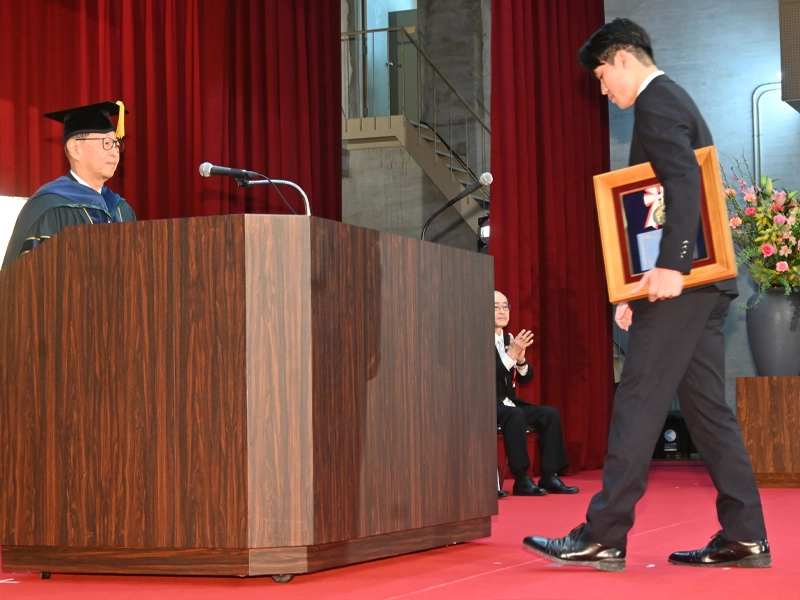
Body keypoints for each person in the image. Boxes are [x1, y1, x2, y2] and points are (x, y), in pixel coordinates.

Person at [522, 19, 769, 572]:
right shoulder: (671, 100)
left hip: (684, 283)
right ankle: (746, 536)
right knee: (708, 413)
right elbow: (650, 209)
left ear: (622, 58)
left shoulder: (657, 102)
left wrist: (673, 266)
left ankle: (603, 535)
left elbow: (683, 183)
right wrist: (635, 289)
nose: (601, 89)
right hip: (701, 286)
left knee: (636, 401)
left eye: (601, 76)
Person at [2, 101, 136, 268]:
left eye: (116, 144)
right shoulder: (49, 207)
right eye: (107, 143)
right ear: (75, 149)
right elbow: (28, 276)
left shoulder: (122, 211)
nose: (115, 152)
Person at [494, 290, 579, 497]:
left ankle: (549, 475)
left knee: (549, 414)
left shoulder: (509, 338)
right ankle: (522, 478)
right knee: (516, 414)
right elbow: (486, 375)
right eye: (495, 307)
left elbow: (525, 378)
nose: (502, 311)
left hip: (509, 402)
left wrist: (520, 360)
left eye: (505, 306)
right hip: (487, 404)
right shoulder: (475, 341)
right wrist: (510, 356)